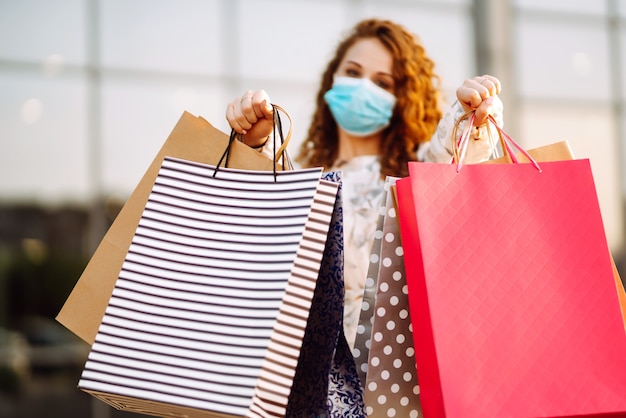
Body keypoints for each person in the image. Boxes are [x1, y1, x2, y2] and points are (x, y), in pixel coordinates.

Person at [226, 18, 503, 416]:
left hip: (405, 391)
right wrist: (252, 145)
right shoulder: (301, 178)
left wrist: (470, 118)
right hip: (307, 393)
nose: (362, 88)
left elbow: (452, 159)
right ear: (332, 80)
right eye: (353, 73)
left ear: (403, 97)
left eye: (382, 82)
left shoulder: (415, 176)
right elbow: (260, 226)